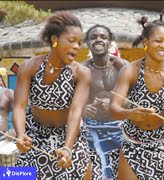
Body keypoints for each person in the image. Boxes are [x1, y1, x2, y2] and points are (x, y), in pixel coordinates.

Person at [108, 5, 164, 180]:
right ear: (146, 42)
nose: (163, 46)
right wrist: (130, 113)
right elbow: (113, 108)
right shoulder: (130, 71)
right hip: (133, 143)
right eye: (158, 41)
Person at [12, 11, 102, 179]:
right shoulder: (29, 67)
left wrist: (68, 148)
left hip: (69, 134)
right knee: (17, 175)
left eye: (80, 43)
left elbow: (76, 112)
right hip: (35, 134)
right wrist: (20, 134)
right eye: (72, 40)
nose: (77, 46)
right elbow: (19, 106)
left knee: (81, 170)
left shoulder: (82, 73)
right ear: (54, 40)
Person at [82, 24, 128, 180]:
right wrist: (83, 109)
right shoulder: (82, 69)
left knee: (121, 174)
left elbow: (137, 101)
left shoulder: (123, 67)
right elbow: (69, 102)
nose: (98, 40)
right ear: (87, 43)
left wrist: (115, 105)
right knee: (95, 174)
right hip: (91, 131)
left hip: (120, 130)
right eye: (93, 37)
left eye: (103, 37)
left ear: (110, 42)